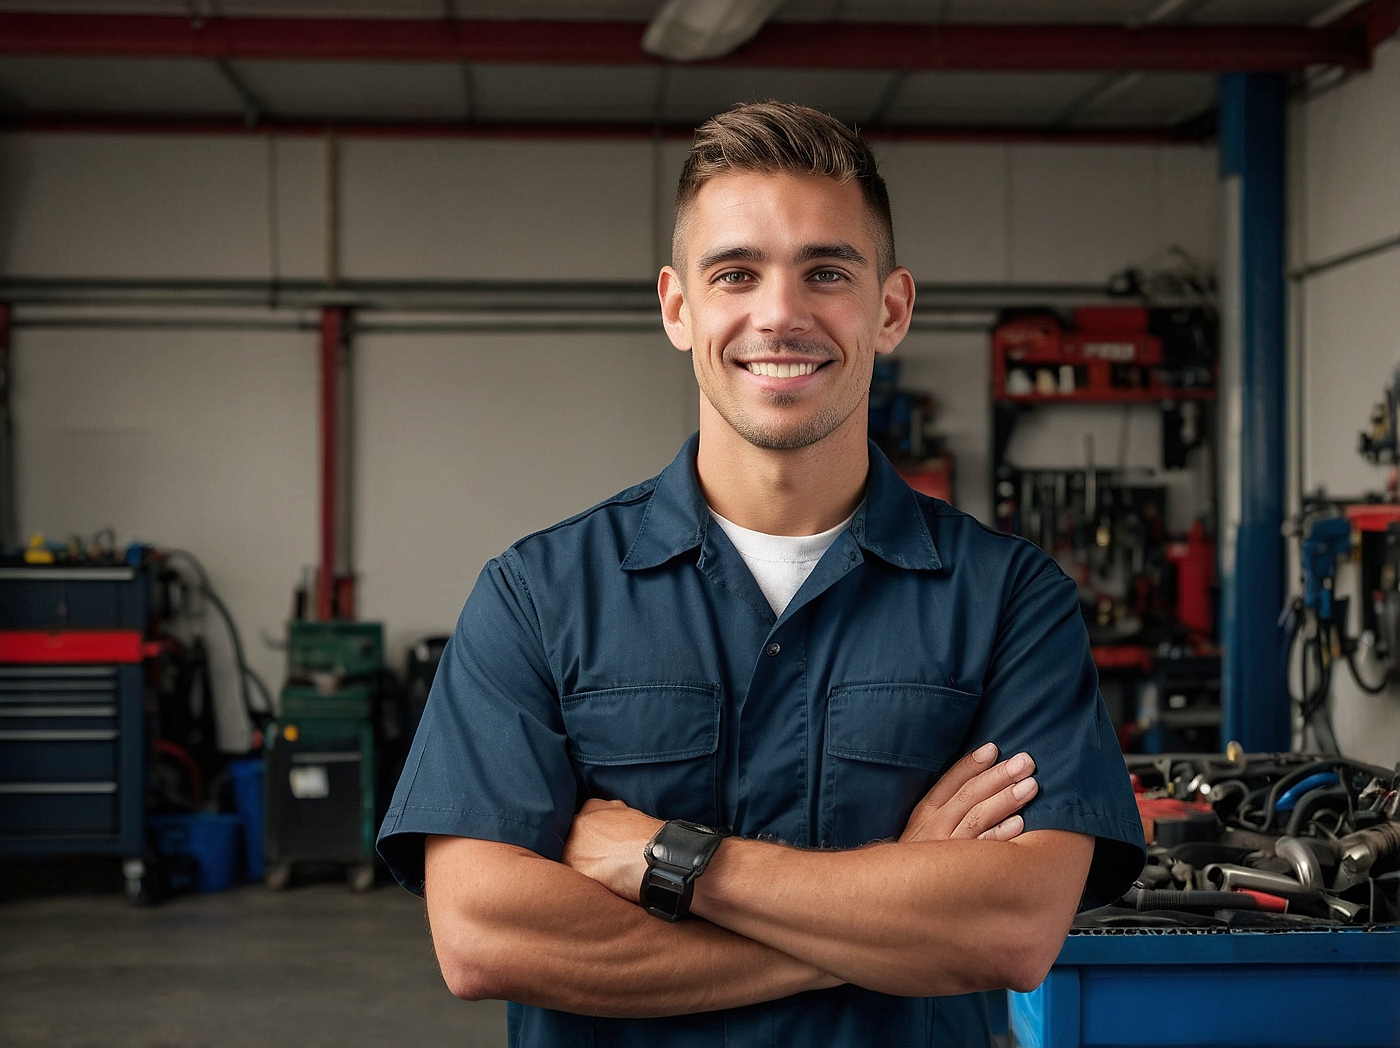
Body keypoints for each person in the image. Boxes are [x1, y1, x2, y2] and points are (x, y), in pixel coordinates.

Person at [377, 101, 1145, 1047]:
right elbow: (485, 938)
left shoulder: (1009, 601)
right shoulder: (538, 596)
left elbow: (1012, 927)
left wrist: (664, 858)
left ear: (891, 307)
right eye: (735, 273)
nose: (780, 314)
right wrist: (890, 911)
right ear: (677, 306)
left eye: (827, 271)